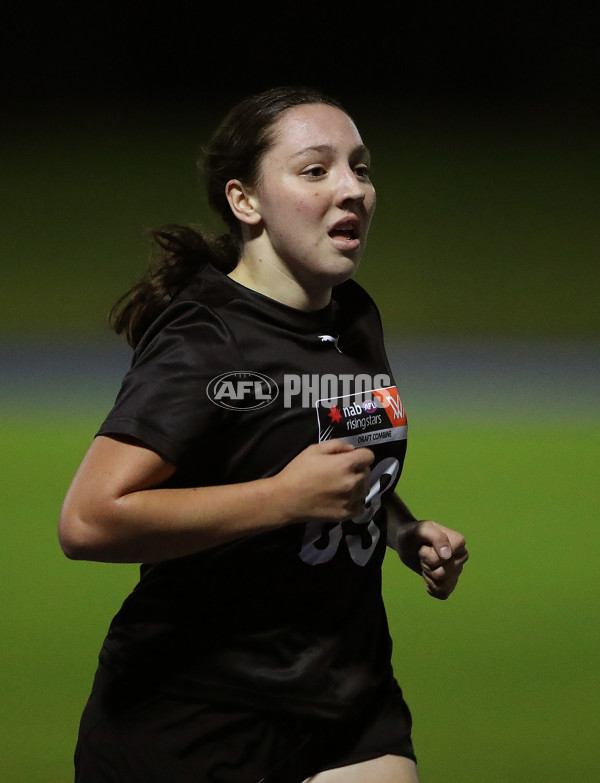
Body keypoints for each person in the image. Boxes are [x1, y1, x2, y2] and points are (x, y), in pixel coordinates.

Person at [59, 85, 468, 783]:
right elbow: (89, 520)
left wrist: (399, 527)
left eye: (360, 167)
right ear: (245, 201)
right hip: (194, 712)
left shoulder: (354, 315)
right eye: (316, 170)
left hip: (346, 697)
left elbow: (336, 459)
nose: (354, 189)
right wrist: (282, 498)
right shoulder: (204, 340)